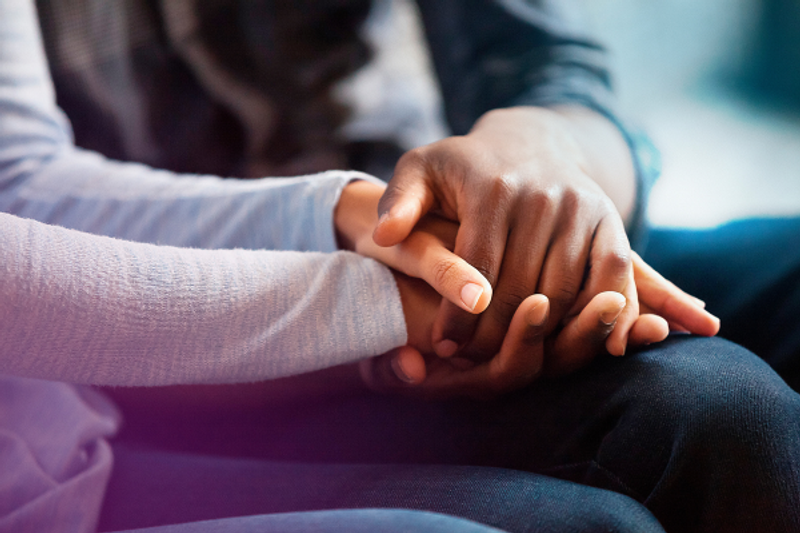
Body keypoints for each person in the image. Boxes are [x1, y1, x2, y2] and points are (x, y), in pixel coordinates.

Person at [1, 1, 799, 533]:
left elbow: (550, 69)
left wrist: (544, 151)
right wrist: (391, 303)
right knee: (712, 414)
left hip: (443, 234)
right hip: (186, 343)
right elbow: (27, 195)